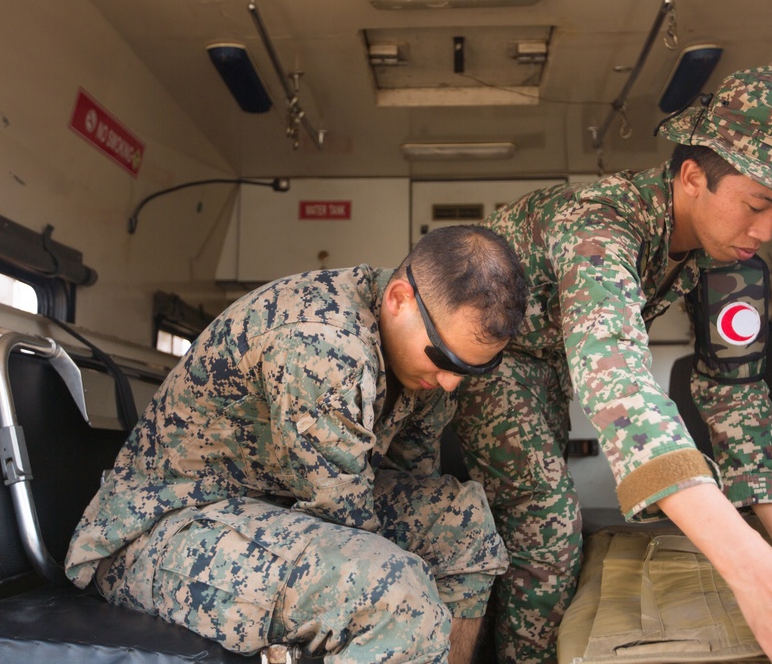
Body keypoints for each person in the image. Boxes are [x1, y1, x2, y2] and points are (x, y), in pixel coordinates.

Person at [452, 66, 772, 664]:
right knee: (546, 524)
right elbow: (617, 377)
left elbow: (737, 391)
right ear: (693, 177)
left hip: (558, 364)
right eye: (757, 204)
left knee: (543, 514)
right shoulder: (598, 222)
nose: (767, 231)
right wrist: (753, 571)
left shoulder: (734, 258)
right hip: (500, 355)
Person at [64, 224, 529, 663]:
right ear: (399, 299)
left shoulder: (423, 366)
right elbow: (346, 520)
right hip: (166, 527)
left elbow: (413, 481)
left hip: (275, 508)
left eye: (471, 369)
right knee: (391, 591)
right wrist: (413, 579)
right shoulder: (323, 342)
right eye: (444, 358)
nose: (450, 383)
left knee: (463, 522)